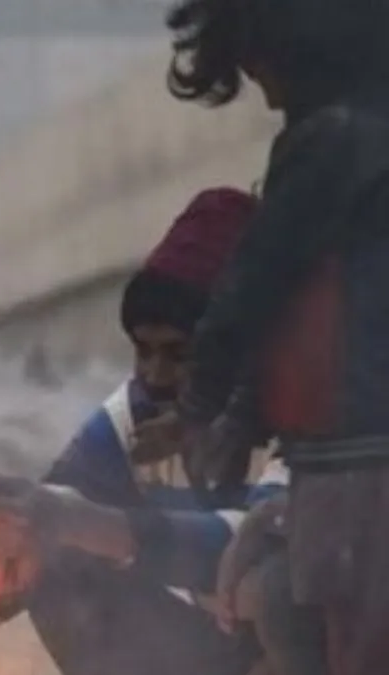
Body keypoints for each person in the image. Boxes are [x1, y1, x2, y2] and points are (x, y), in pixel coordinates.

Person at [131, 1, 389, 673]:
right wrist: (236, 415)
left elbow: (254, 294)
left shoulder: (331, 140)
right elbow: (300, 312)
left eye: (257, 67)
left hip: (359, 471)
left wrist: (200, 410)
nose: (265, 94)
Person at [0, 187, 306, 675]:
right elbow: (58, 504)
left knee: (273, 594)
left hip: (298, 647)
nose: (155, 376)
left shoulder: (302, 411)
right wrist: (1, 567)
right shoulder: (135, 413)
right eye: (144, 352)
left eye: (179, 354)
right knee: (58, 558)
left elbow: (245, 551)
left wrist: (85, 523)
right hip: (211, 649)